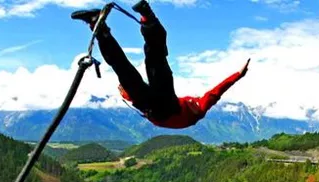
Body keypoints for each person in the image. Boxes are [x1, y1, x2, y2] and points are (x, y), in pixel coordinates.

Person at [71, 0, 250, 129]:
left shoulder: (198, 108)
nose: (195, 104)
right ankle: (147, 18)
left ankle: (99, 27)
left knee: (126, 69)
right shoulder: (196, 105)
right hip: (157, 106)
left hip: (158, 108)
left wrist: (130, 96)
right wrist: (238, 75)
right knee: (154, 62)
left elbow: (217, 91)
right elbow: (215, 92)